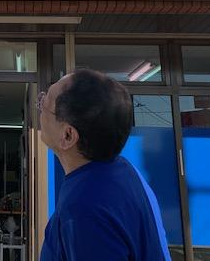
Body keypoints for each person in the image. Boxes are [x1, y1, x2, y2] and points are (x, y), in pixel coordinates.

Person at [38, 69, 170, 261]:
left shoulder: (85, 210)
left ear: (68, 135)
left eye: (44, 103)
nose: (40, 108)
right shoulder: (123, 171)